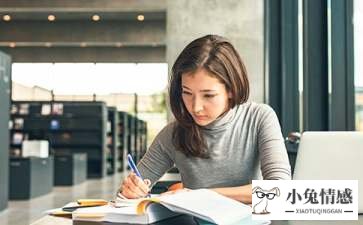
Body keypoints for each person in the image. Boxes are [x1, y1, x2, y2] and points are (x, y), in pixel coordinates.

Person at [118, 34, 291, 204]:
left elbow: (281, 191)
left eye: (208, 95)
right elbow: (123, 198)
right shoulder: (173, 134)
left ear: (231, 89)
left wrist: (200, 195)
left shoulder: (259, 118)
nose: (195, 107)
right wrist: (130, 191)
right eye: (187, 93)